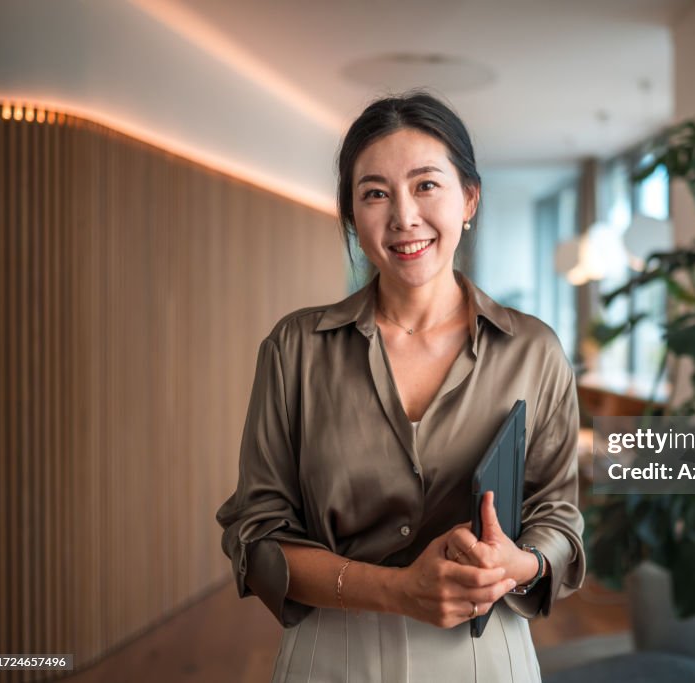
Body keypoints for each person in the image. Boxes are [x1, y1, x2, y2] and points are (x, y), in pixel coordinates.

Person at [216, 91, 585, 682]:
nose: (403, 217)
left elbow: (558, 517)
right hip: (332, 653)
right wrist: (396, 590)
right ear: (351, 215)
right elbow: (255, 534)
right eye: (375, 194)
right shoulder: (295, 348)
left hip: (483, 653)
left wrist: (518, 563)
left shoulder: (533, 350)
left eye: (426, 185)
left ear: (469, 198)